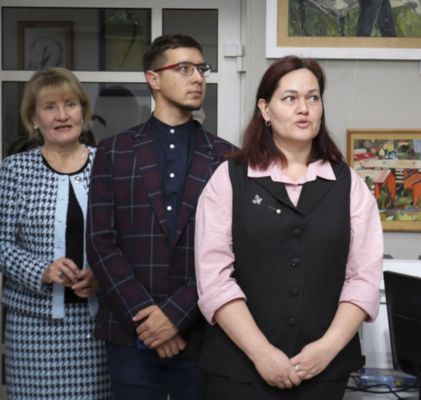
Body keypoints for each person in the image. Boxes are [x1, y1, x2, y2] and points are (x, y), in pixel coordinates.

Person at [194, 55, 384, 399]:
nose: (304, 109)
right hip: (238, 372)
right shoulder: (230, 178)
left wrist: (326, 348)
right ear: (265, 109)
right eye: (290, 98)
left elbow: (363, 279)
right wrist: (261, 353)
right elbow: (214, 278)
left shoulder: (349, 184)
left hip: (323, 372)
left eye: (313, 98)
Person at [86, 34, 235, 399]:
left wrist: (175, 316)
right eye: (183, 68)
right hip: (130, 331)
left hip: (202, 330)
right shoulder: (113, 152)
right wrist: (146, 316)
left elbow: (234, 249)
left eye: (201, 69)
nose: (197, 77)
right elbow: (100, 243)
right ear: (152, 78)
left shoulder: (228, 158)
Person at [0, 67, 111, 399]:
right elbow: (1, 243)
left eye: (70, 104)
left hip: (97, 328)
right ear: (34, 119)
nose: (62, 115)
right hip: (33, 329)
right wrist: (42, 270)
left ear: (83, 112)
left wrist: (102, 274)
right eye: (50, 107)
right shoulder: (15, 170)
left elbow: (124, 237)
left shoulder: (108, 165)